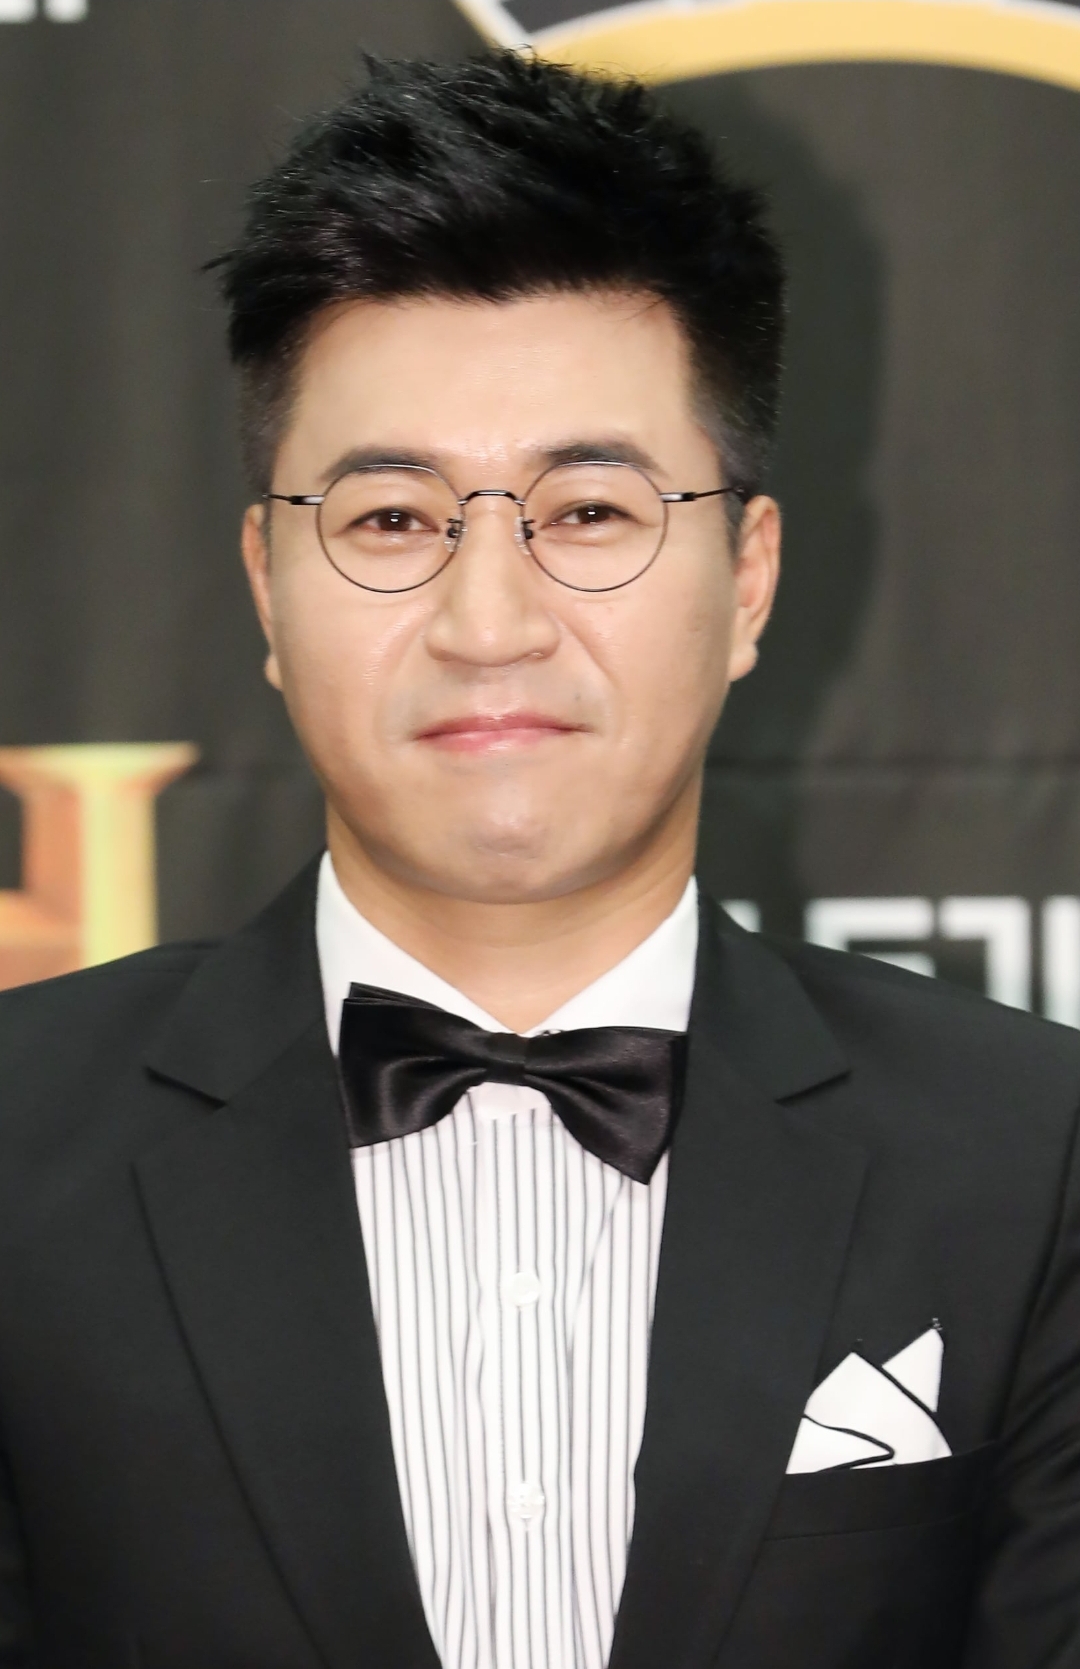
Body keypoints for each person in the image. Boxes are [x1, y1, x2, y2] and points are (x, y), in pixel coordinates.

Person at [0, 50, 1077, 1669]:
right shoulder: (17, 1149)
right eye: (391, 519)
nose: (489, 620)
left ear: (749, 577)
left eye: (587, 512)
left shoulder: (1033, 1161)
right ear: (268, 582)